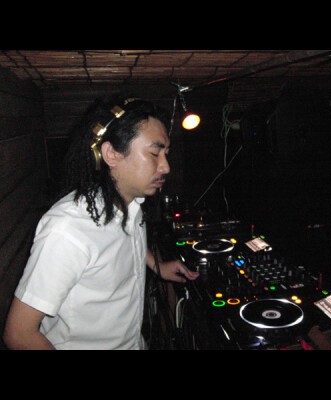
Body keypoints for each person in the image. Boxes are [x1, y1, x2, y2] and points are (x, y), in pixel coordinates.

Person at [2, 94, 199, 350]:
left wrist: (156, 266)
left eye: (166, 154)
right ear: (111, 154)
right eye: (154, 153)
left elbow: (125, 240)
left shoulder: (132, 202)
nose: (166, 167)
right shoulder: (67, 229)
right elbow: (18, 334)